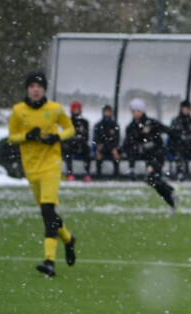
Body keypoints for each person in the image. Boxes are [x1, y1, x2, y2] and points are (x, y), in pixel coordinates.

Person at [7, 70, 78, 277]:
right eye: (32, 86)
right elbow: (12, 137)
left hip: (51, 165)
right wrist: (27, 136)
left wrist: (56, 136)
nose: (35, 90)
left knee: (48, 211)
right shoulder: (19, 111)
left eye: (39, 86)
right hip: (31, 168)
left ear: (44, 89)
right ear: (27, 89)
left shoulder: (54, 109)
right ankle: (68, 239)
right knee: (48, 214)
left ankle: (49, 261)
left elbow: (70, 129)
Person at [123, 98, 178, 215]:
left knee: (151, 178)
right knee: (152, 180)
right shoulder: (131, 127)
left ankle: (171, 198)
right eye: (133, 111)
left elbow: (169, 131)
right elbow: (127, 144)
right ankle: (171, 193)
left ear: (142, 110)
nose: (135, 113)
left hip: (158, 155)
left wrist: (173, 145)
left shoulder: (151, 123)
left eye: (137, 110)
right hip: (148, 157)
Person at [169, 99, 191, 182]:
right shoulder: (176, 121)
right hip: (178, 147)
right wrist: (181, 140)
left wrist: (187, 141)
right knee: (178, 154)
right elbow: (173, 136)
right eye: (184, 109)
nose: (186, 111)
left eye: (188, 109)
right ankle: (180, 173)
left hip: (190, 146)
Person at [64, 101, 91, 182]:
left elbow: (86, 137)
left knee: (87, 149)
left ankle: (87, 174)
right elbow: (66, 136)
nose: (76, 111)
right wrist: (75, 138)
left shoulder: (84, 122)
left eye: (78, 109)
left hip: (81, 144)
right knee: (67, 150)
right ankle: (70, 173)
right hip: (70, 145)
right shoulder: (68, 121)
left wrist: (80, 138)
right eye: (75, 109)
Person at [92, 104, 121, 179]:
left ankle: (116, 174)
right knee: (98, 154)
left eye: (109, 112)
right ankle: (98, 174)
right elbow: (96, 138)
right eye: (106, 111)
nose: (107, 113)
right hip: (102, 147)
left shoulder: (115, 125)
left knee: (116, 153)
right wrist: (99, 146)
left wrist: (113, 148)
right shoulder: (98, 125)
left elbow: (117, 139)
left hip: (111, 147)